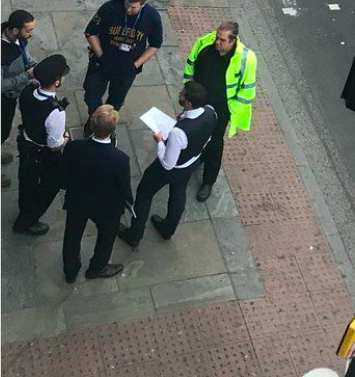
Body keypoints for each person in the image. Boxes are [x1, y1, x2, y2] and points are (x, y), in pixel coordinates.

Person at [118, 81, 216, 247]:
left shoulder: (180, 132)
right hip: (190, 164)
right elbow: (208, 139)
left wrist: (160, 141)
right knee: (178, 194)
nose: (180, 95)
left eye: (182, 95)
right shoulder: (211, 112)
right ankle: (167, 229)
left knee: (144, 194)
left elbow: (168, 163)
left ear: (189, 103)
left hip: (171, 169)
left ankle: (134, 235)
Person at [184, 22, 257, 202]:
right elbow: (191, 64)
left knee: (215, 144)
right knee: (193, 133)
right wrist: (188, 90)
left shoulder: (246, 58)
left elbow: (247, 90)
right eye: (217, 37)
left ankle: (208, 181)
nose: (217, 42)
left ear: (233, 40)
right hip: (198, 101)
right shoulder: (205, 43)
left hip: (220, 107)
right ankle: (195, 159)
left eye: (222, 40)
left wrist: (232, 111)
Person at [61, 105, 130, 283]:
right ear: (112, 130)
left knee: (72, 235)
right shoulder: (120, 159)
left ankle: (70, 271)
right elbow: (124, 187)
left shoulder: (74, 147)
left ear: (91, 125)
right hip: (106, 206)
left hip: (78, 199)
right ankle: (97, 268)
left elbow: (64, 173)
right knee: (107, 236)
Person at [83, 0, 163, 135]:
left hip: (127, 70)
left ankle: (107, 126)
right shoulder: (110, 8)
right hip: (101, 64)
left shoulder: (152, 18)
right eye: (127, 4)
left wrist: (136, 64)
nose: (128, 9)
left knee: (116, 100)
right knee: (91, 94)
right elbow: (90, 32)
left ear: (143, 5)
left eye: (133, 7)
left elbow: (155, 45)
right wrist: (101, 56)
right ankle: (95, 119)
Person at [14, 55, 70, 236]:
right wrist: (66, 138)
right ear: (57, 82)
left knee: (26, 181)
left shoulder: (27, 92)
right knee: (48, 188)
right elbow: (54, 145)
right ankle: (27, 221)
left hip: (26, 144)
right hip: (41, 154)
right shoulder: (56, 112)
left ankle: (24, 208)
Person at [1, 10, 38, 187]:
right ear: (15, 30)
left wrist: (35, 67)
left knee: (4, 131)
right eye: (28, 31)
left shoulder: (18, 38)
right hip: (3, 99)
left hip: (12, 94)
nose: (32, 34)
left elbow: (26, 56)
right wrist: (26, 75)